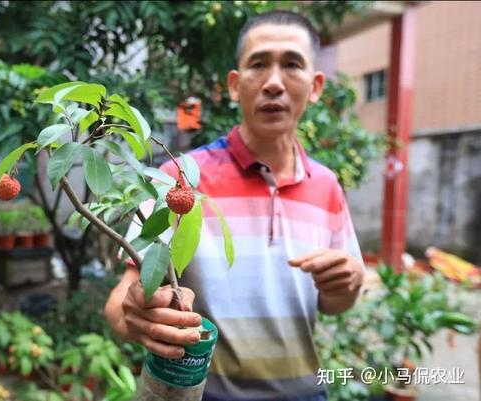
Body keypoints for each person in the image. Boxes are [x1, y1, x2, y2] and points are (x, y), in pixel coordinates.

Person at [105, 9, 364, 401]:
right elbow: (120, 302)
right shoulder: (181, 179)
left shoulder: (326, 186)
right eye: (259, 64)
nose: (274, 82)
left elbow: (335, 303)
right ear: (234, 84)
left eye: (291, 65)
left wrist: (348, 282)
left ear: (315, 86)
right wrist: (138, 313)